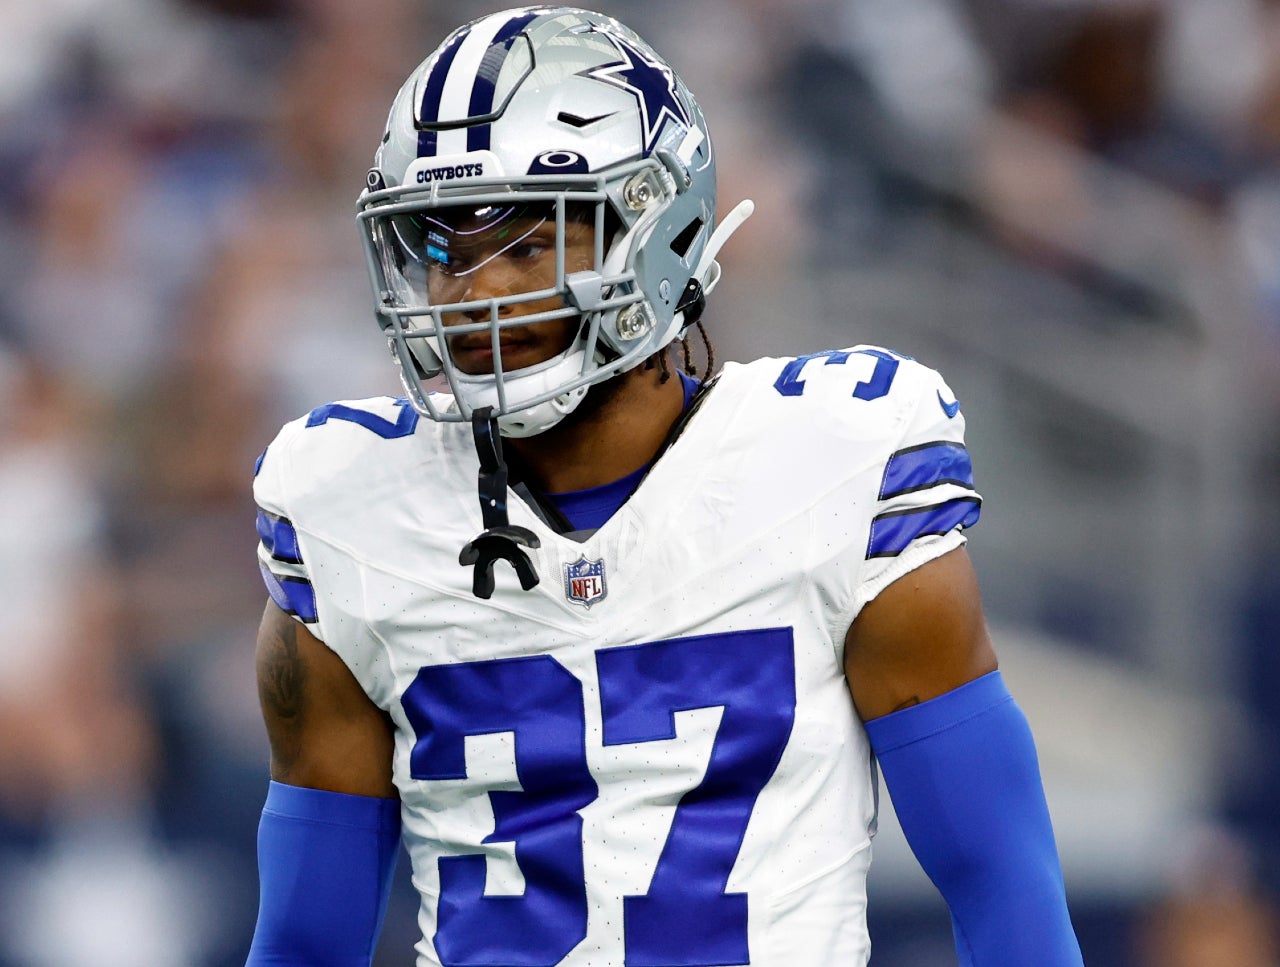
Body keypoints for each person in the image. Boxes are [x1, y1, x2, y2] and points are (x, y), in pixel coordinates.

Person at [246, 6, 1084, 965]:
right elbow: (304, 941)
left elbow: (1000, 877)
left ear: (656, 228)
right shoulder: (351, 511)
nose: (474, 294)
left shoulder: (833, 461)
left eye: (526, 244)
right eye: (442, 250)